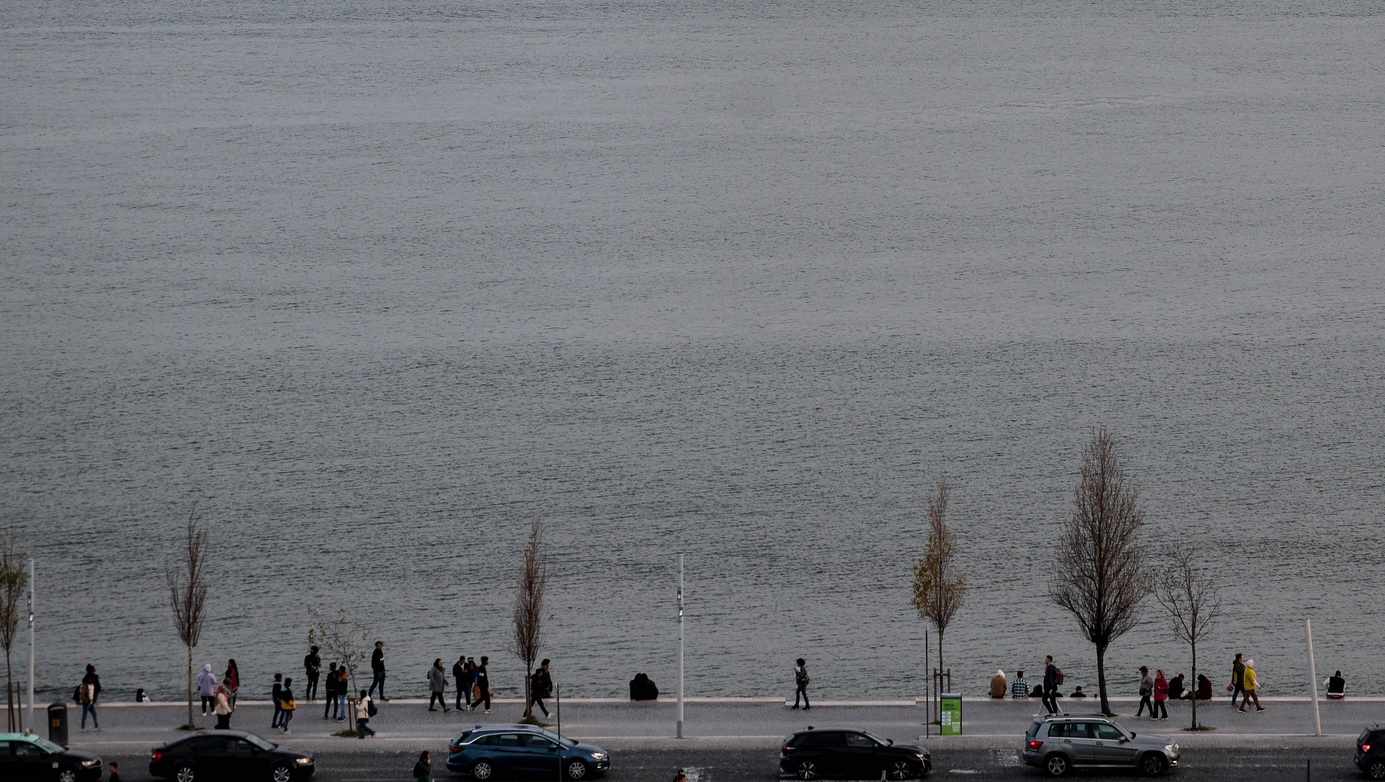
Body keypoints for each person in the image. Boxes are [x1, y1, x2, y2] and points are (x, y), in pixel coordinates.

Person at [80, 664, 102, 730]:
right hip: (90, 699)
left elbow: (83, 689)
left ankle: (92, 726)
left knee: (89, 713)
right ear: (92, 670)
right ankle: (93, 726)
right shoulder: (94, 677)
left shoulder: (85, 678)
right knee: (89, 713)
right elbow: (98, 688)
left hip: (87, 699)